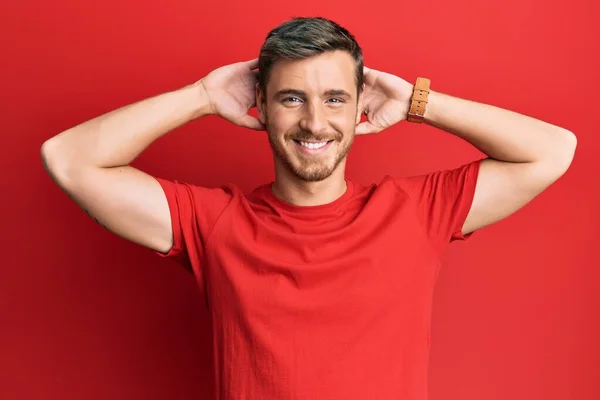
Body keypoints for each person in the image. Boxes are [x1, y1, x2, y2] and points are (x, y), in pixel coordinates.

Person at [41, 16, 576, 400]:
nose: (315, 123)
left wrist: (419, 101)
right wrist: (203, 96)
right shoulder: (214, 224)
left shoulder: (413, 212)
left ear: (361, 104)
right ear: (263, 107)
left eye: (335, 98)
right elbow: (67, 159)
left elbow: (553, 150)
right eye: (292, 97)